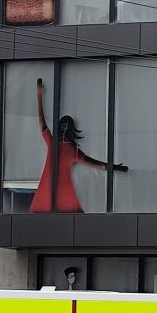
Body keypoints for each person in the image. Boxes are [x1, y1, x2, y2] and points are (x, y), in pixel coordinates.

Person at [30, 77, 128, 214]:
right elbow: (42, 124)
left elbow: (99, 165)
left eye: (66, 126)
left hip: (58, 189)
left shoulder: (68, 149)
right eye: (63, 125)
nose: (64, 128)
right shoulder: (57, 144)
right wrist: (39, 96)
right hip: (54, 189)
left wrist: (116, 167)